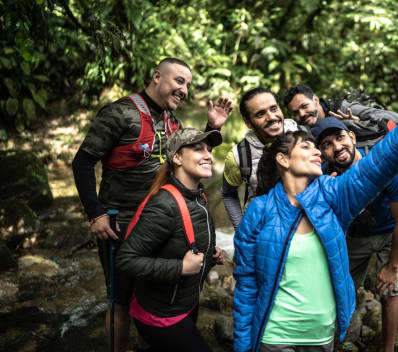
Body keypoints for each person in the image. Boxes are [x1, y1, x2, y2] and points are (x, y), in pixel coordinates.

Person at [233, 73, 398, 352]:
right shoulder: (258, 211)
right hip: (275, 337)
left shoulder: (333, 195)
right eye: (307, 146)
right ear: (283, 159)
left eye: (317, 146)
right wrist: (242, 346)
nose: (318, 151)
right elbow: (246, 286)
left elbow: (381, 161)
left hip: (322, 336)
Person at [72, 57, 232, 352]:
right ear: (157, 76)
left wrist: (211, 127)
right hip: (120, 224)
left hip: (164, 223)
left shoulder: (173, 121)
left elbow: (186, 157)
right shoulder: (120, 113)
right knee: (120, 301)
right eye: (179, 81)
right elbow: (82, 161)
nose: (184, 90)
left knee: (151, 299)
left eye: (188, 85)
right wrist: (95, 214)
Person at [311, 117, 398, 352]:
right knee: (336, 288)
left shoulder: (383, 167)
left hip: (390, 231)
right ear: (321, 153)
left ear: (352, 137)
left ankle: (388, 348)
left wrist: (392, 266)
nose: (337, 147)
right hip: (354, 237)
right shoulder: (322, 176)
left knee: (390, 291)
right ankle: (333, 342)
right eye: (327, 145)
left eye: (340, 138)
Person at [116, 128, 224, 352]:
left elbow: (181, 241)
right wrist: (181, 267)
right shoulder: (165, 205)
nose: (208, 155)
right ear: (177, 158)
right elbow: (126, 260)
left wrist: (211, 255)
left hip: (185, 303)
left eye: (209, 149)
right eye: (198, 149)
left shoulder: (198, 195)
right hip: (161, 314)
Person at [222, 87, 298, 228]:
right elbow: (228, 194)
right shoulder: (239, 155)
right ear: (248, 122)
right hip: (261, 229)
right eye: (260, 114)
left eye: (274, 108)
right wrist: (241, 229)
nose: (271, 117)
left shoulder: (302, 137)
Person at [282, 84, 398, 127]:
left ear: (316, 100)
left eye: (304, 106)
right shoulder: (302, 129)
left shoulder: (343, 109)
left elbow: (396, 118)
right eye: (295, 113)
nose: (302, 114)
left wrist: (358, 122)